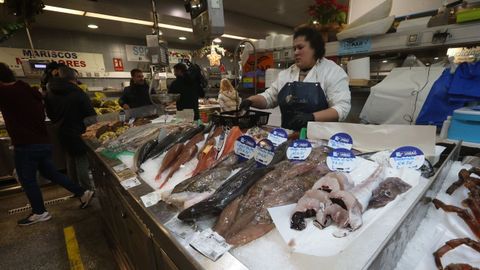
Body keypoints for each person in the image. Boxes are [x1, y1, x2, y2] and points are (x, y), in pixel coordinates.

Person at [0, 63, 94, 226]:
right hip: (42, 141)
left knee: (28, 179)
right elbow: (90, 113)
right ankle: (83, 191)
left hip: (26, 143)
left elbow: (50, 113)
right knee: (52, 173)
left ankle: (39, 211)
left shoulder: (7, 92)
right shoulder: (28, 90)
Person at [239, 25, 351, 131]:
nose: (296, 52)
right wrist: (250, 100)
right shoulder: (286, 74)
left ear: (315, 48)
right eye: (294, 48)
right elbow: (269, 98)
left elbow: (342, 108)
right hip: (288, 136)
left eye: (300, 47)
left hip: (320, 138)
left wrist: (312, 117)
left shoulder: (332, 72)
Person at [44, 66, 97, 190]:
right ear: (75, 77)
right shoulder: (78, 93)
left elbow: (50, 115)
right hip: (79, 131)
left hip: (62, 131)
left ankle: (76, 189)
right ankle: (88, 190)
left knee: (70, 160)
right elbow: (91, 115)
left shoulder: (50, 93)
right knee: (82, 160)